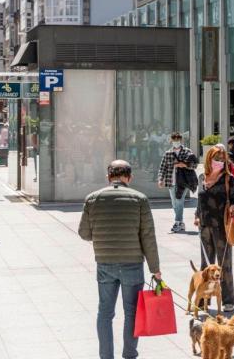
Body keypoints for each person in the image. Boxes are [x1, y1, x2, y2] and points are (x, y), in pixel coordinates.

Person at [78, 160, 162, 359]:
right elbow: (148, 236)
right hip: (133, 263)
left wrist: (100, 236)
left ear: (108, 177)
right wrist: (155, 268)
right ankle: (130, 354)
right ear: (129, 177)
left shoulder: (92, 199)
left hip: (105, 263)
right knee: (132, 312)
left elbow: (83, 232)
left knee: (105, 313)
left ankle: (106, 356)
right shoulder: (140, 199)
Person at [194, 145, 234, 312]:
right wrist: (197, 215)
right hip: (205, 225)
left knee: (224, 264)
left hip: (222, 225)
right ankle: (201, 300)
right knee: (205, 265)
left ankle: (228, 299)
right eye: (216, 159)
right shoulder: (202, 177)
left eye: (222, 159)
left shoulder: (228, 179)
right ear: (209, 159)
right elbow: (200, 200)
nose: (219, 162)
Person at [156, 132, 197, 233]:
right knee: (174, 203)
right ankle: (181, 223)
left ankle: (177, 222)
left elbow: (194, 165)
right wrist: (160, 179)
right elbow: (162, 167)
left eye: (178, 140)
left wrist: (185, 165)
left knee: (179, 202)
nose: (176, 142)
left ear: (181, 140)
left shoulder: (187, 151)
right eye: (174, 140)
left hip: (182, 182)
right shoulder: (168, 153)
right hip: (171, 181)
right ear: (171, 141)